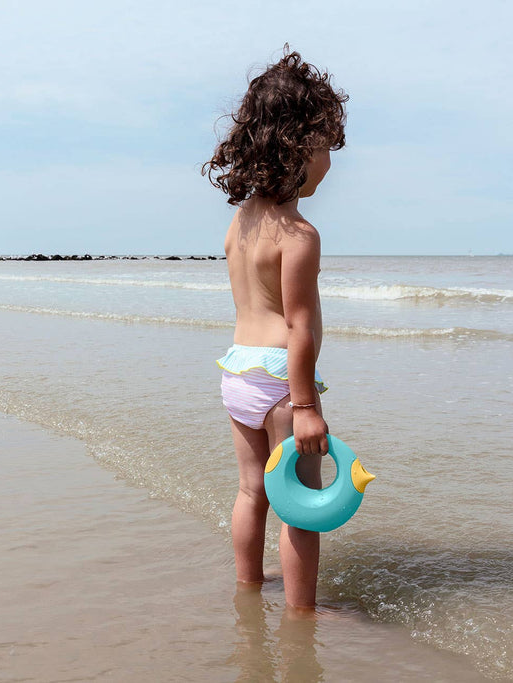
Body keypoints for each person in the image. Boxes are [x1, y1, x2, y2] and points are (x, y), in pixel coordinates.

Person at [203, 49, 347, 609]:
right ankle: (300, 616)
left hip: (237, 370)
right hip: (282, 383)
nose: (330, 161)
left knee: (250, 491)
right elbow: (299, 324)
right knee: (300, 503)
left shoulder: (241, 222)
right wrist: (306, 405)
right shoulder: (299, 233)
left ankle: (247, 588)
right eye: (326, 147)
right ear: (298, 147)